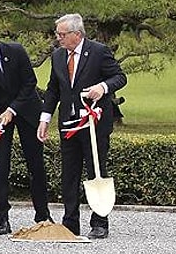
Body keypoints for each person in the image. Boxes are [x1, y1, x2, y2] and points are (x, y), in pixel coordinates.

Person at [38, 13, 126, 239]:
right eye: (57, 34)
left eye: (62, 34)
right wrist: (45, 118)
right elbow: (53, 89)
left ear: (77, 34)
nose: (58, 38)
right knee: (69, 173)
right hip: (68, 124)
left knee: (96, 171)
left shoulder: (98, 51)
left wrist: (103, 87)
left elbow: (119, 77)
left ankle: (100, 222)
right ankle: (70, 222)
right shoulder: (58, 56)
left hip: (94, 124)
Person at [0, 18, 51, 235]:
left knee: (35, 164)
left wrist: (12, 110)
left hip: (27, 109)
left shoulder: (16, 51)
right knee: (1, 166)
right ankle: (2, 218)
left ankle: (43, 215)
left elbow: (30, 83)